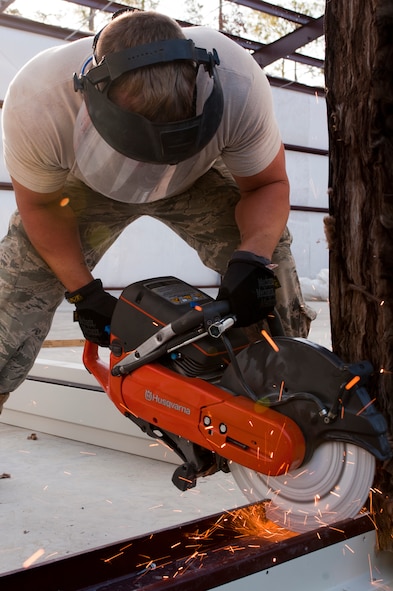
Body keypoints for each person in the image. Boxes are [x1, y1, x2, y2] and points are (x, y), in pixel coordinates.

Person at [0, 9, 315, 414]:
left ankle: (294, 403)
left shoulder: (238, 80)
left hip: (197, 177)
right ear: (90, 96)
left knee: (272, 275)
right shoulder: (39, 100)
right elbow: (40, 205)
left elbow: (267, 184)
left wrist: (252, 256)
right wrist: (84, 291)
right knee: (15, 291)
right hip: (84, 188)